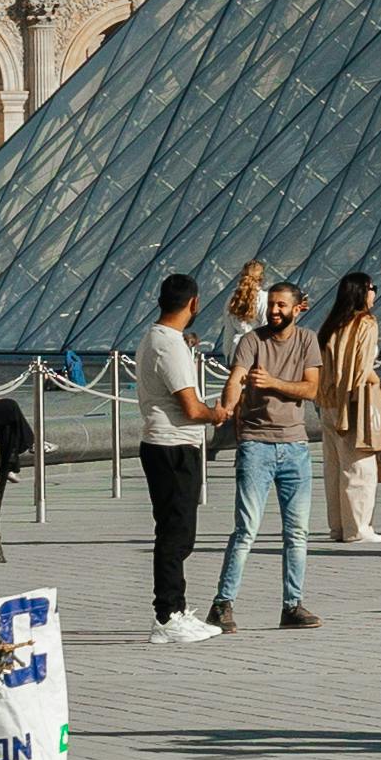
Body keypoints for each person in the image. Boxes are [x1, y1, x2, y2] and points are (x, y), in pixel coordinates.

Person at [208, 275, 327, 629]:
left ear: (297, 309)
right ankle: (222, 604)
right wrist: (226, 406)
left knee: (297, 532)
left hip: (295, 447)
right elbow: (236, 378)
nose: (273, 311)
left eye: (280, 305)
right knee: (246, 529)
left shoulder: (308, 340)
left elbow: (311, 389)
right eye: (271, 304)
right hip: (256, 446)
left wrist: (273, 382)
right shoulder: (251, 341)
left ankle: (292, 605)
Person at [134, 273, 220, 637]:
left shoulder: (157, 339)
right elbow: (190, 407)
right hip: (172, 446)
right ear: (193, 303)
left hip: (164, 443)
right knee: (176, 534)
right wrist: (217, 413)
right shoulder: (168, 344)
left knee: (175, 531)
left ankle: (175, 609)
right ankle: (168, 615)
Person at [316, 270, 381, 547]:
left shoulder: (331, 323)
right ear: (362, 292)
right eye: (373, 287)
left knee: (334, 467)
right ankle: (358, 527)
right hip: (354, 402)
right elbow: (362, 368)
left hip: (328, 402)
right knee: (360, 468)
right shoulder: (366, 323)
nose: (375, 293)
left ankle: (338, 526)